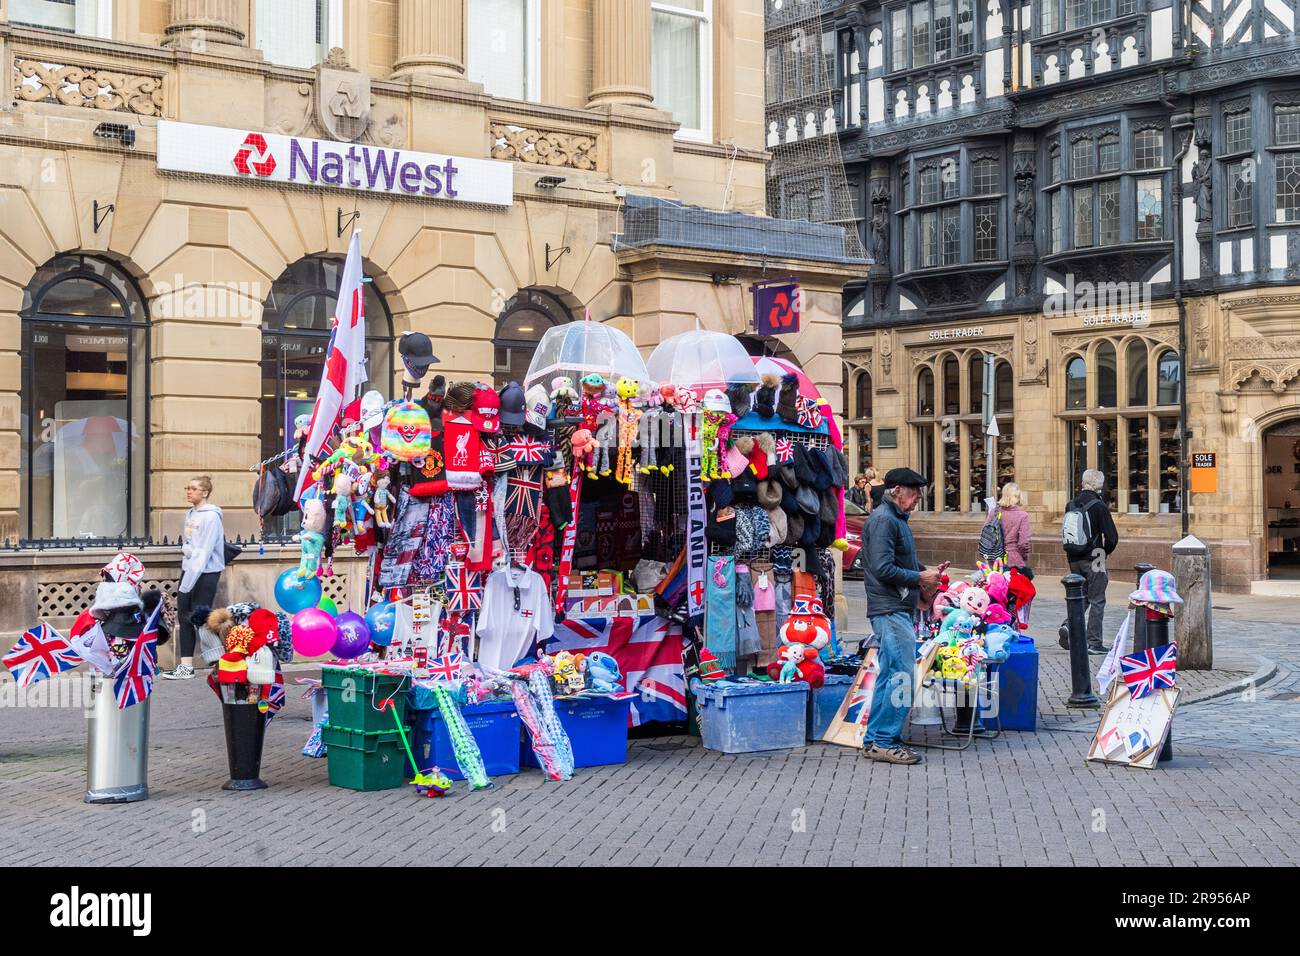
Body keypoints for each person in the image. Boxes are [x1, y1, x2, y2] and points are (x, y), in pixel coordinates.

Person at [861, 468, 946, 765]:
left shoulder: (892, 519)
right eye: (914, 491)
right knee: (902, 675)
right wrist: (920, 577)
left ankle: (875, 740)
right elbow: (883, 569)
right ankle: (885, 740)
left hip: (894, 606)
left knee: (889, 674)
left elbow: (900, 561)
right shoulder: (885, 520)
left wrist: (926, 571)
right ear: (897, 490)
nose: (919, 497)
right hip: (890, 607)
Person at [161, 476, 226, 680]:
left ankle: (221, 662)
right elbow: (191, 544)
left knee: (202, 618)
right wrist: (187, 552)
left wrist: (190, 577)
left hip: (205, 572)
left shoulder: (211, 517)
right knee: (185, 617)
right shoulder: (190, 513)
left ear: (205, 492)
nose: (189, 491)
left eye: (194, 488)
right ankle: (185, 666)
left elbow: (204, 550)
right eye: (187, 487)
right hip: (189, 570)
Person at [1060, 469, 1118, 654]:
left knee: (1080, 596)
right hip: (1095, 558)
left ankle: (1069, 626)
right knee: (1097, 599)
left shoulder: (1071, 504)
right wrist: (1103, 552)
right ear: (1099, 484)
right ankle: (1094, 642)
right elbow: (1112, 537)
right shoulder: (1099, 506)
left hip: (1073, 558)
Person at [994, 482, 1032, 575]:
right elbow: (1023, 543)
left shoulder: (994, 512)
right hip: (1014, 560)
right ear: (1018, 496)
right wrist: (1024, 556)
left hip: (995, 560)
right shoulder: (1022, 516)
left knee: (997, 588)